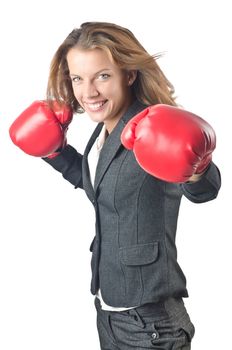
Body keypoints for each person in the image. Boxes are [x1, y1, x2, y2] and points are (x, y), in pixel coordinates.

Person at [9, 21, 221, 350]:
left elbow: (204, 190)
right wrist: (55, 152)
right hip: (109, 314)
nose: (88, 92)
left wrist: (199, 167)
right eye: (78, 78)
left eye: (103, 76)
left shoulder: (155, 127)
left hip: (151, 323)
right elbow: (97, 185)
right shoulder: (104, 130)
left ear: (129, 74)